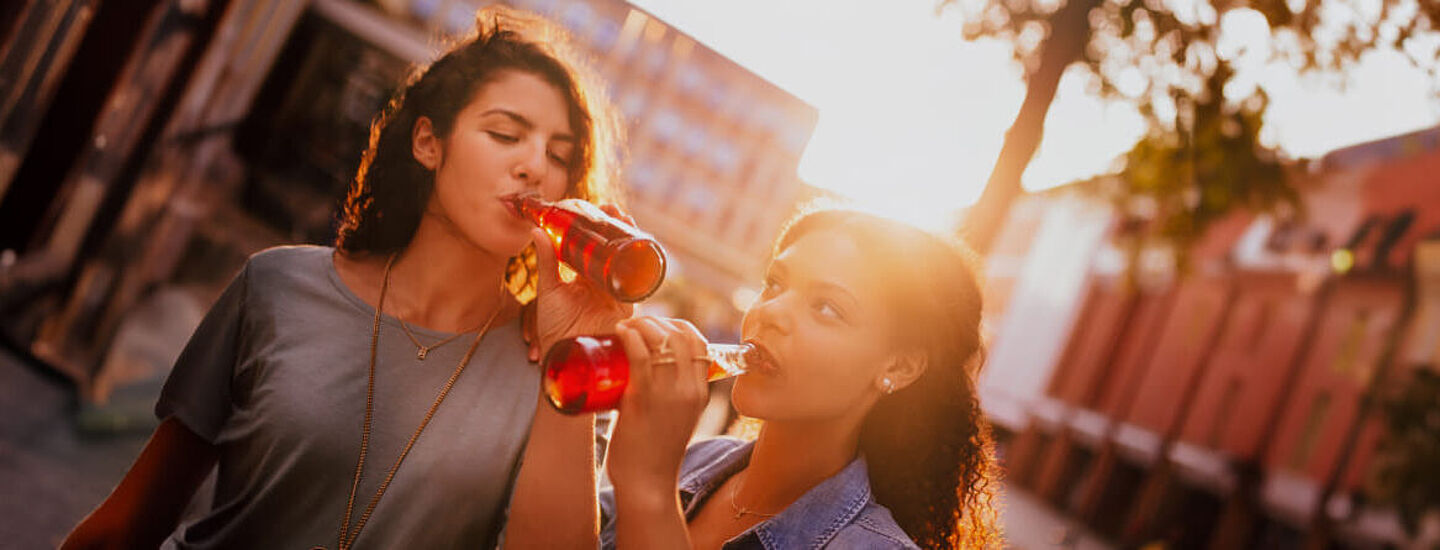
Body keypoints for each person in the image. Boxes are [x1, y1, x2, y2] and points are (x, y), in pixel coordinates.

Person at [62, 7, 627, 549]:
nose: (534, 167)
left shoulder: (563, 375)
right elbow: (125, 528)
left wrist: (571, 351)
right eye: (506, 134)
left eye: (559, 155)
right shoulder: (276, 287)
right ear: (428, 143)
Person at [599, 208, 1005, 549]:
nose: (771, 312)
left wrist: (651, 492)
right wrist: (565, 339)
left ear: (898, 367)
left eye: (827, 308)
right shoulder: (698, 461)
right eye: (774, 284)